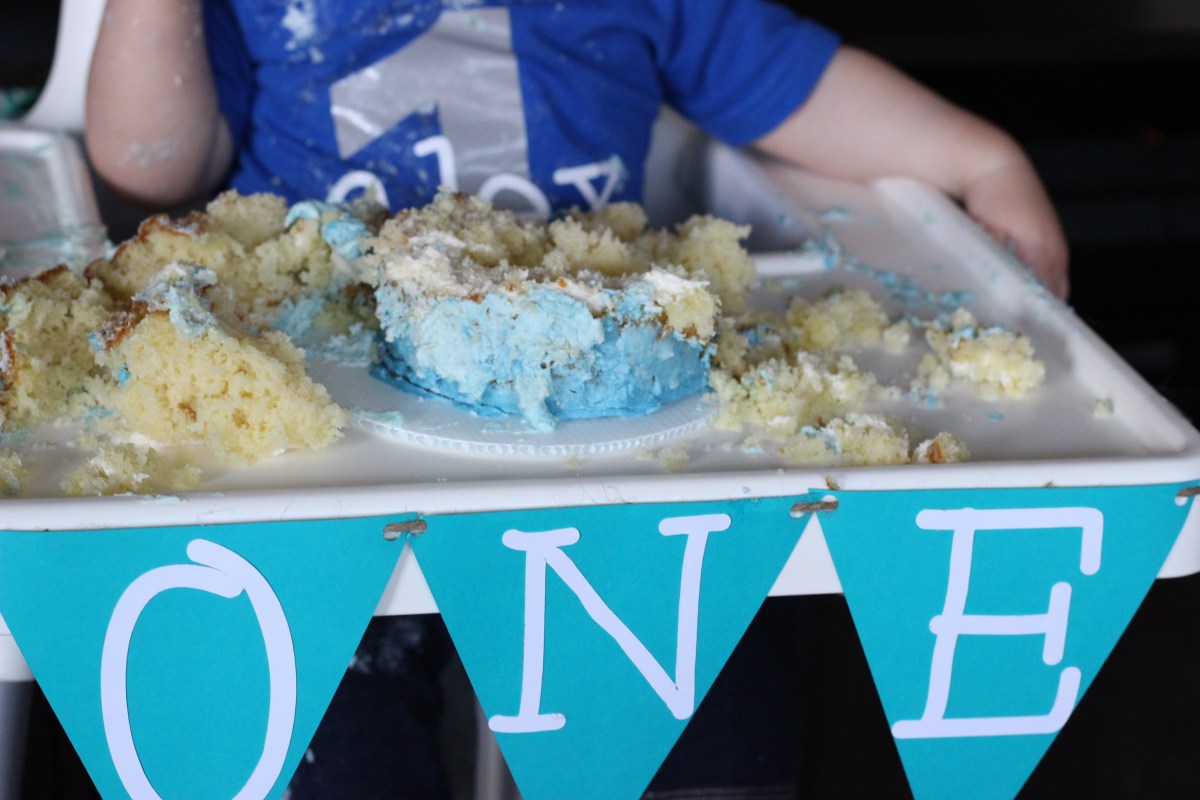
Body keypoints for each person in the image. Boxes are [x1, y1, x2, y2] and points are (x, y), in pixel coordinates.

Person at [84, 1, 1071, 798]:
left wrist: (983, 159)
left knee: (717, 628)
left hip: (601, 423)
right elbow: (148, 161)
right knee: (323, 723)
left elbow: (802, 90)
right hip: (327, 423)